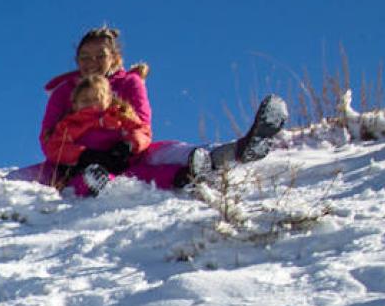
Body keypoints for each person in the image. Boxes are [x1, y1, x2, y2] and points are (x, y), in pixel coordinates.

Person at [35, 25, 287, 196]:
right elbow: (49, 138)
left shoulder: (129, 83)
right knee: (139, 175)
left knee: (170, 151)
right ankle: (187, 177)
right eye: (84, 57)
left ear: (115, 57)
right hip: (81, 161)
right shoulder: (66, 90)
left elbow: (142, 126)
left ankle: (234, 152)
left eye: (100, 56)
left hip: (129, 154)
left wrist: (128, 147)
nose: (92, 63)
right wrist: (83, 156)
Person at [42, 74, 152, 194]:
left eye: (97, 99)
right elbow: (55, 147)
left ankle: (174, 176)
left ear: (108, 100)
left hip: (119, 162)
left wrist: (129, 144)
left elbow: (142, 131)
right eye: (85, 101)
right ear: (75, 104)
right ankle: (103, 185)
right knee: (83, 180)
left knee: (146, 173)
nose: (92, 105)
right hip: (85, 168)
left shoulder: (120, 117)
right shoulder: (70, 124)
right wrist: (82, 154)